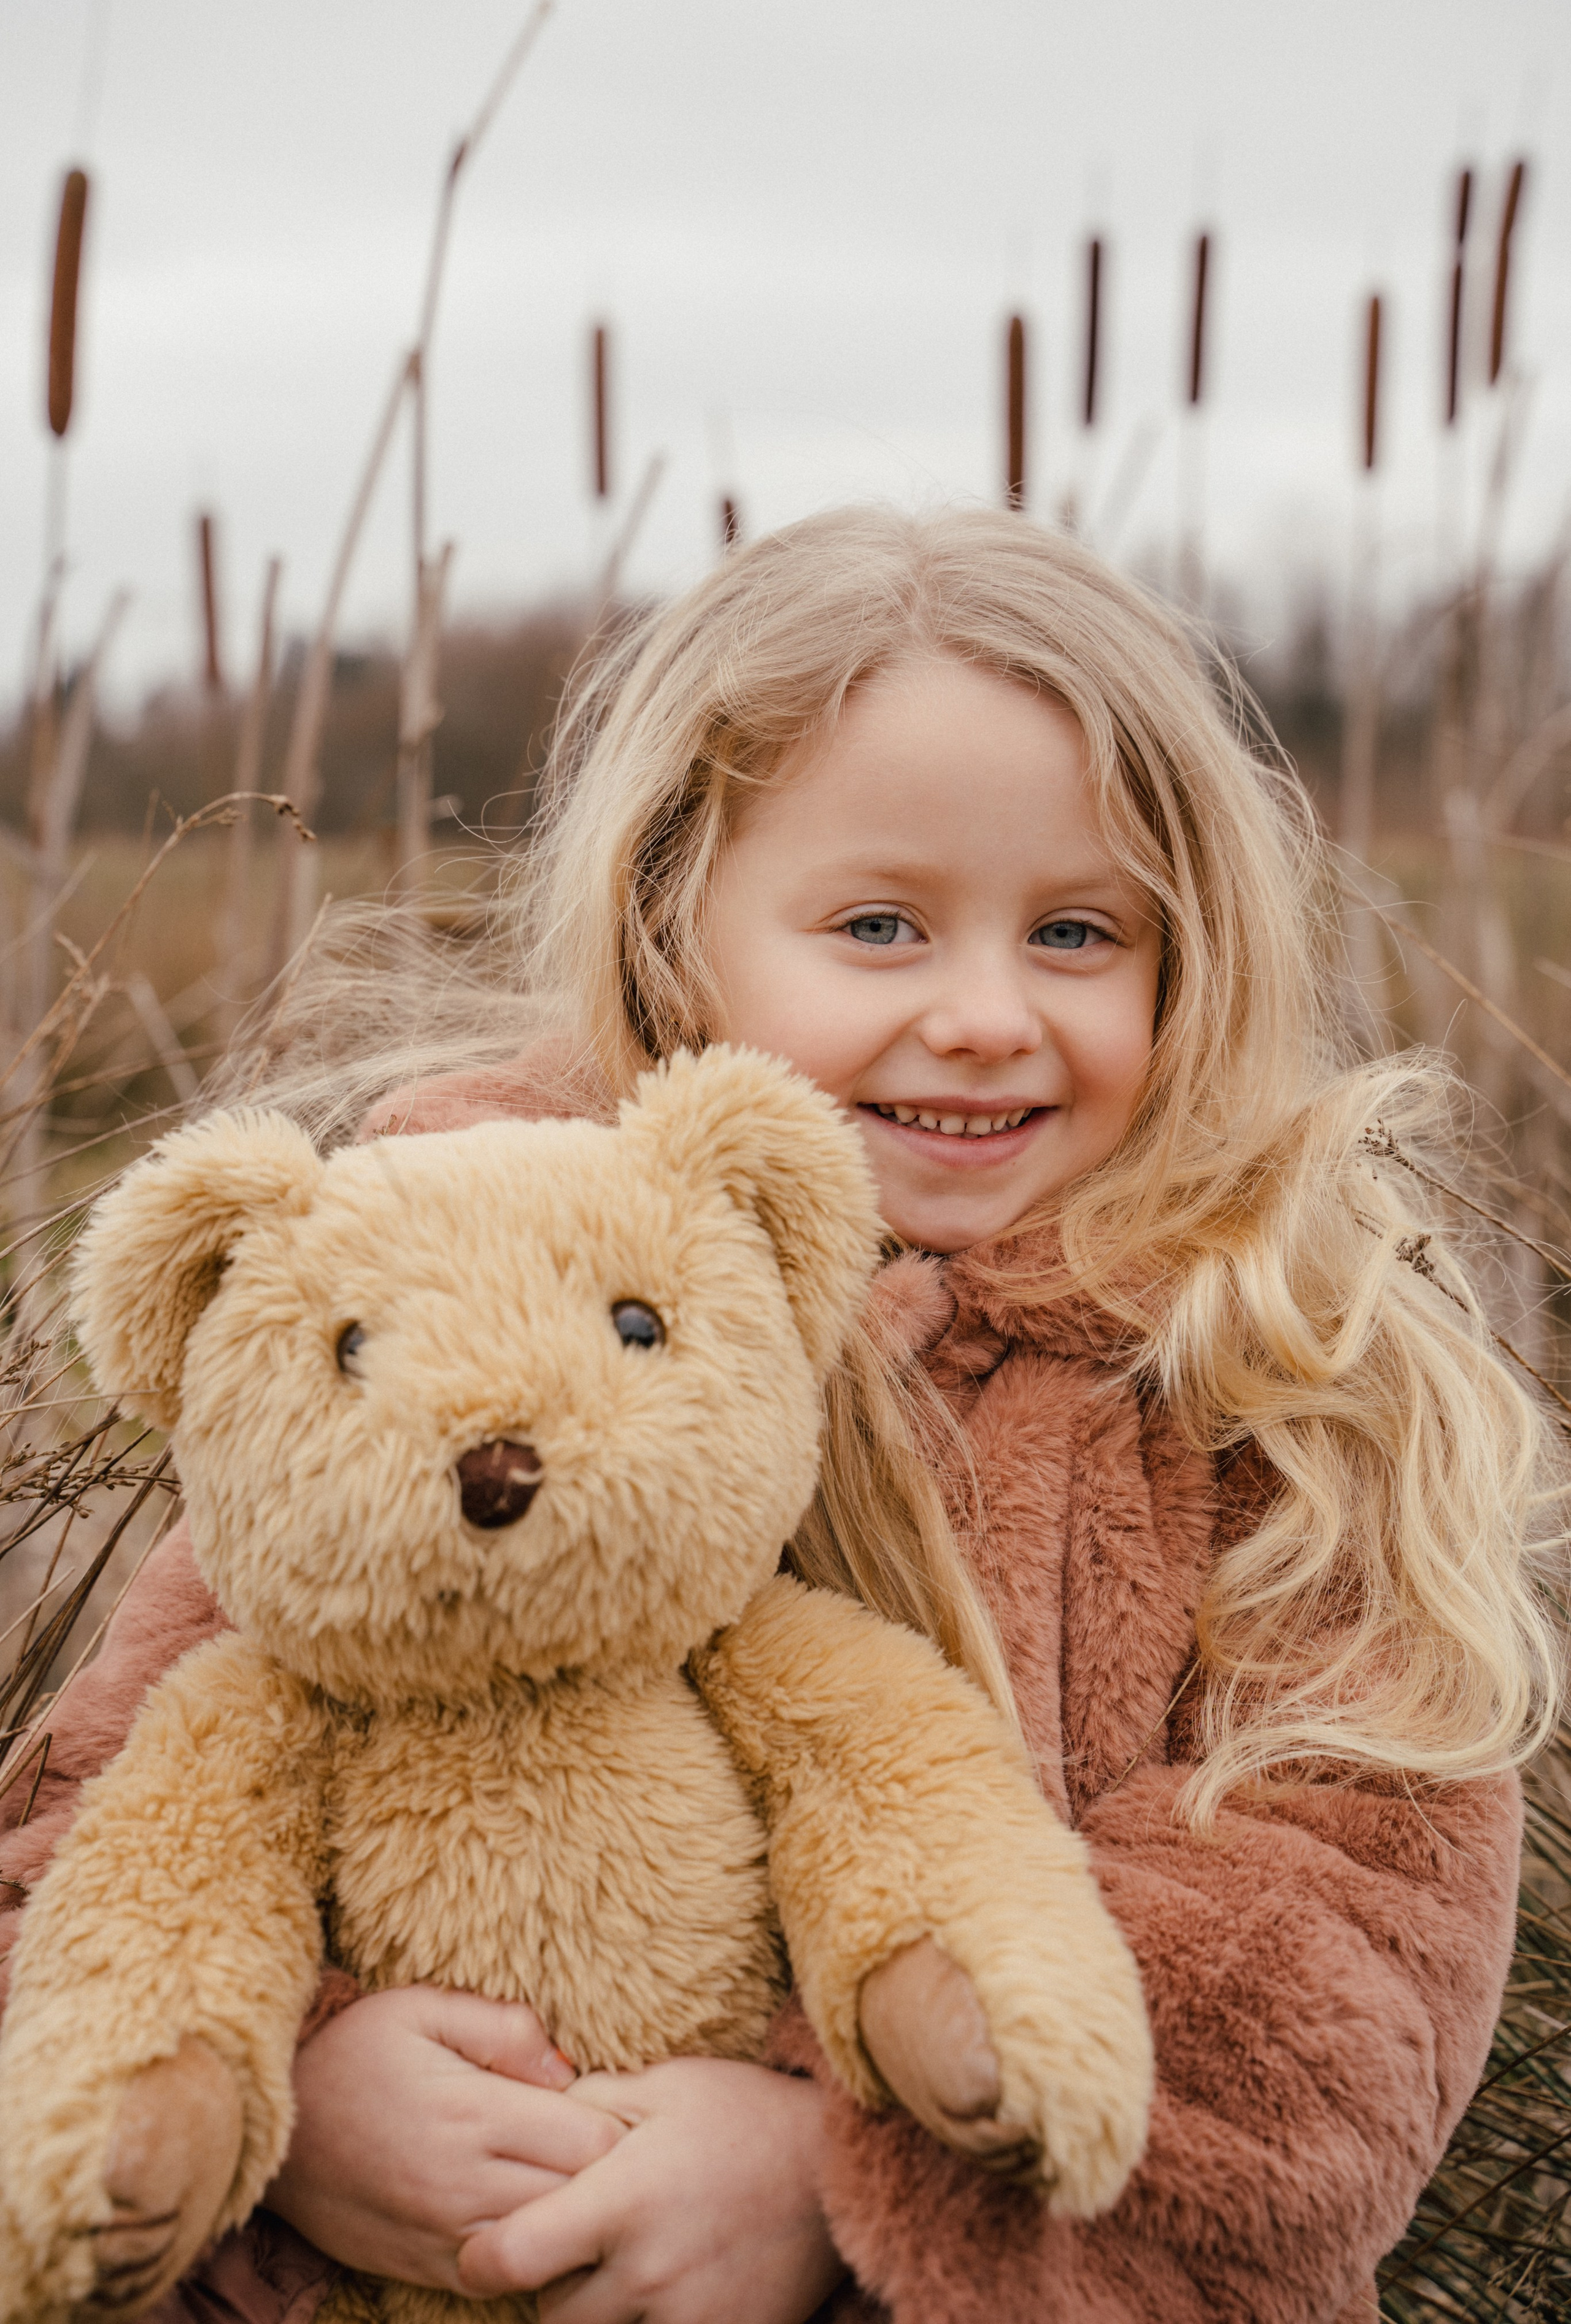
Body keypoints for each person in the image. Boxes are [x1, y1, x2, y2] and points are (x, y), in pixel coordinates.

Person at [0, 506, 1559, 2324]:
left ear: (1186, 961)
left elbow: (1345, 1974)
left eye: (1075, 933)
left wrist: (837, 2176)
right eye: (880, 925)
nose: (984, 1015)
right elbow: (106, 1839)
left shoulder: (1272, 1382)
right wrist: (300, 2099)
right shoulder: (418, 1326)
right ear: (677, 932)